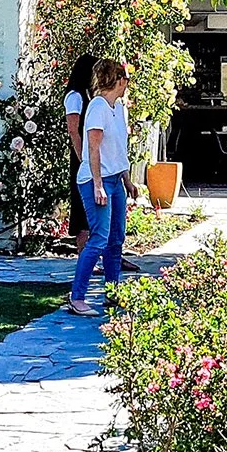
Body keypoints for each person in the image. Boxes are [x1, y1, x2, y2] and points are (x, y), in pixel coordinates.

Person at [68, 58, 137, 315]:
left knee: (116, 239)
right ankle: (78, 297)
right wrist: (98, 185)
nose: (128, 83)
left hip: (115, 179)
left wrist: (127, 180)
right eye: (125, 78)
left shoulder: (118, 108)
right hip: (95, 179)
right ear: (118, 80)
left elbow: (118, 148)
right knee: (98, 239)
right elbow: (93, 148)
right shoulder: (96, 106)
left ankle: (112, 294)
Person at [62, 54, 95, 248]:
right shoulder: (74, 96)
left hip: (90, 154)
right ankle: (83, 251)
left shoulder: (89, 94)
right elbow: (73, 130)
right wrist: (83, 157)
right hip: (80, 156)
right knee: (81, 202)